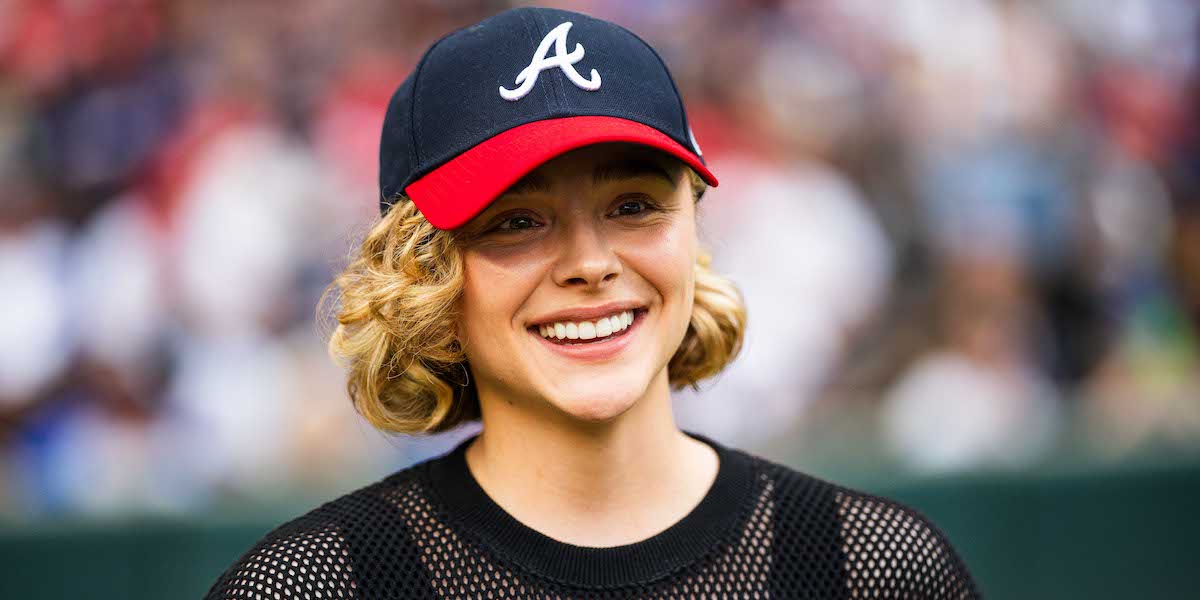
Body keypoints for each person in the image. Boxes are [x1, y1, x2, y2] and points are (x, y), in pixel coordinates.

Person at [204, 7, 980, 599]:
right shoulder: (316, 586)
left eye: (634, 205)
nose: (590, 263)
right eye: (516, 221)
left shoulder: (872, 567)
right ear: (423, 273)